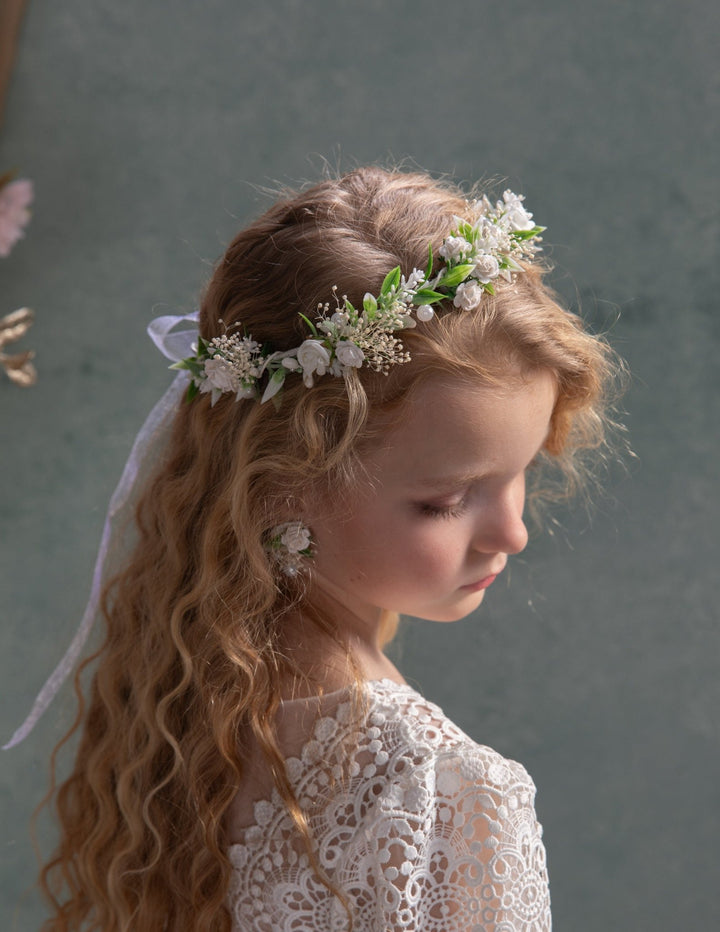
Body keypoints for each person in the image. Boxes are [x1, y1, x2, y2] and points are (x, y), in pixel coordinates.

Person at [31, 166, 622, 930]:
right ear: (283, 484)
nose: (514, 532)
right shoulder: (447, 786)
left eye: (520, 475)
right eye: (445, 501)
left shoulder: (182, 710)